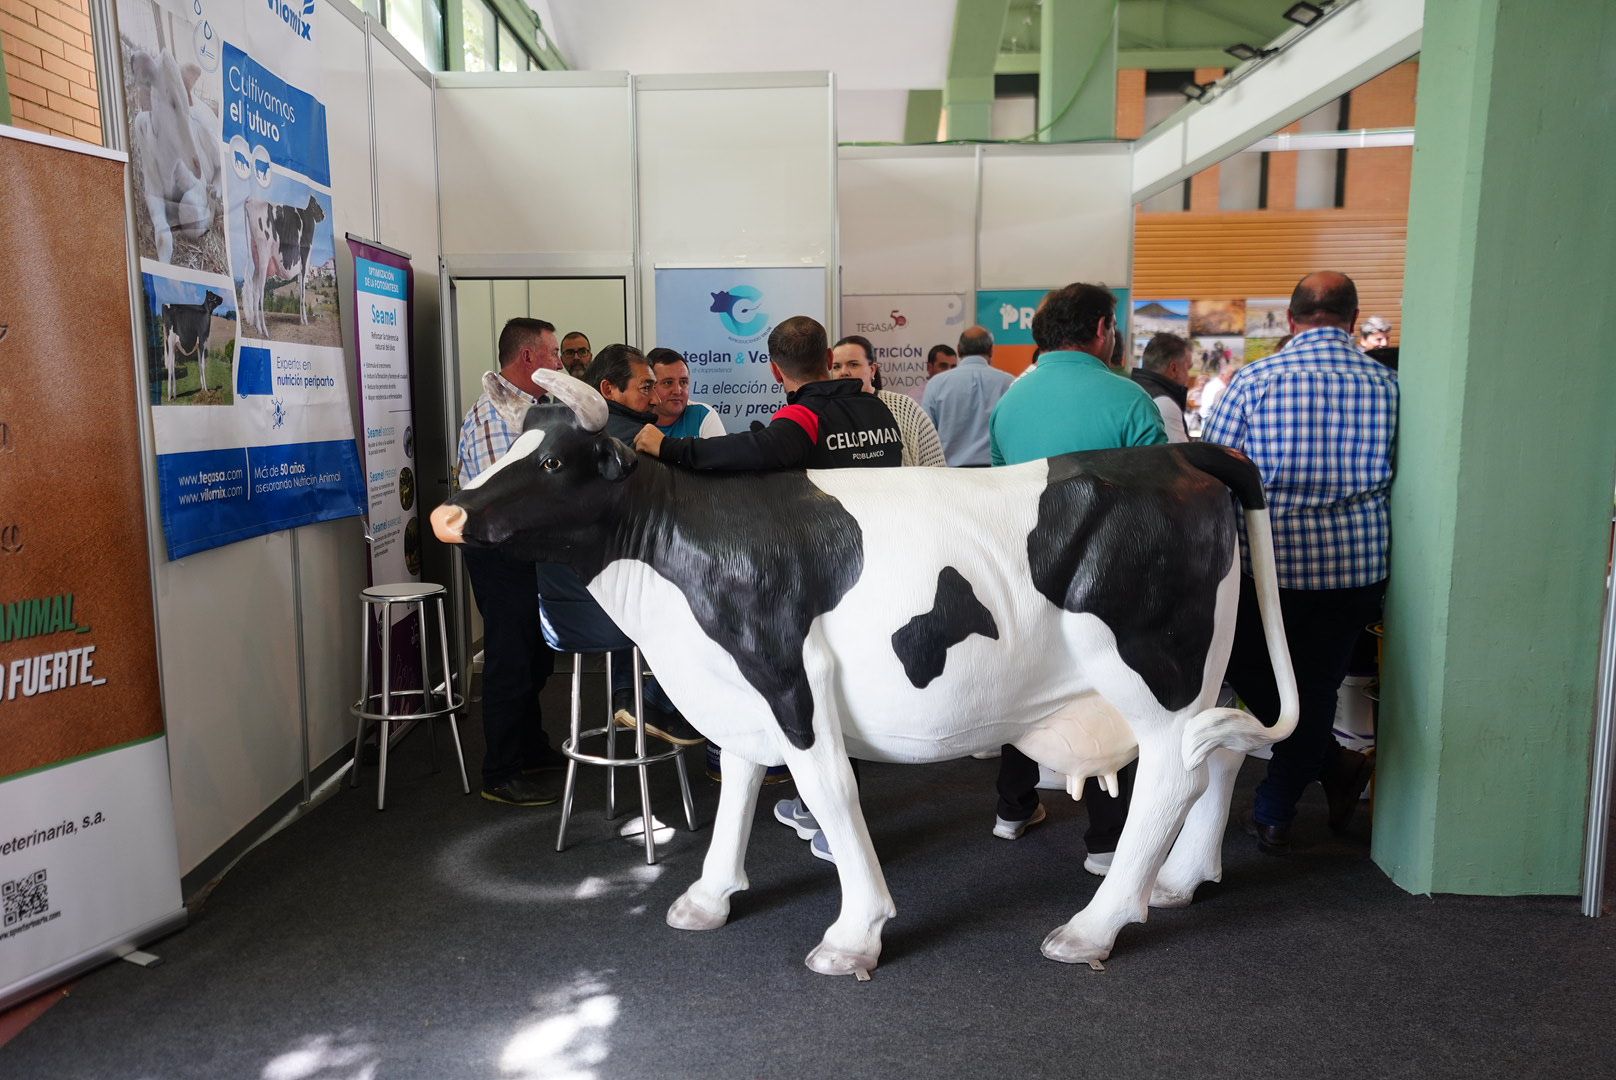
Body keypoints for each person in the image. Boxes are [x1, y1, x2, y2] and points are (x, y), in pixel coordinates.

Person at [636, 316, 900, 863]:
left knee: (819, 704)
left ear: (776, 370)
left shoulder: (803, 416)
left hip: (826, 580)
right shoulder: (879, 411)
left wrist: (668, 448)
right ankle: (812, 807)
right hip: (888, 568)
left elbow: (745, 455)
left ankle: (834, 825)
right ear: (830, 358)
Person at [1203, 271, 1398, 854]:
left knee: (1244, 666)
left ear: (1289, 320)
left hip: (1270, 566)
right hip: (1357, 567)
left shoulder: (1254, 381)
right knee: (1317, 685)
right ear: (1354, 317)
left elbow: (1214, 471)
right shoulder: (1388, 386)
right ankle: (1325, 770)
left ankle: (1276, 808)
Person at [986, 283, 1166, 875]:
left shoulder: (1011, 402)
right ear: (1098, 330)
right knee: (1113, 693)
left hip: (1028, 571)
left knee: (1027, 685)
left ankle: (1014, 808)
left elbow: (1004, 494)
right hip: (1109, 575)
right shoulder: (1131, 399)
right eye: (1111, 325)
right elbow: (1157, 498)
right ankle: (1105, 841)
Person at [455, 317, 566, 806]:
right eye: (554, 353)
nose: (560, 362)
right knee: (511, 656)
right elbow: (512, 499)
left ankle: (530, 747)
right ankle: (500, 771)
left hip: (523, 549)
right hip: (500, 550)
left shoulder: (528, 409)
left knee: (535, 652)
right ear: (529, 359)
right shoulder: (497, 416)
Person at [583, 344, 705, 747]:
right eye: (647, 387)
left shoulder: (585, 432)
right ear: (609, 389)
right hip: (617, 598)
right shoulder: (630, 442)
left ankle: (631, 694)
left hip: (588, 596)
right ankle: (649, 698)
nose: (656, 397)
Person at [830, 335, 946, 467]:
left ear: (872, 370)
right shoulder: (825, 413)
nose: (844, 372)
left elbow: (936, 466)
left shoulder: (904, 407)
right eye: (836, 367)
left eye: (853, 364)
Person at [922, 325, 1014, 467]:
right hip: (995, 476)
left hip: (950, 477)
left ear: (958, 349)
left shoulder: (936, 384)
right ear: (991, 350)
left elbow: (926, 437)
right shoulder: (1008, 383)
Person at [647, 347, 726, 438]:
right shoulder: (636, 418)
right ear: (650, 387)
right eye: (668, 383)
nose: (677, 391)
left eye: (683, 382)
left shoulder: (702, 415)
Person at [1131, 332, 1193, 444]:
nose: (1188, 376)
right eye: (1188, 368)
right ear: (1174, 369)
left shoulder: (1134, 389)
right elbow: (1180, 457)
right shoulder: (1165, 404)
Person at [1198, 354, 1238, 421]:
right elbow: (1208, 409)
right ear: (1222, 375)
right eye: (1230, 376)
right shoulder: (1215, 387)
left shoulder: (1219, 385)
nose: (1232, 379)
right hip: (1211, 422)